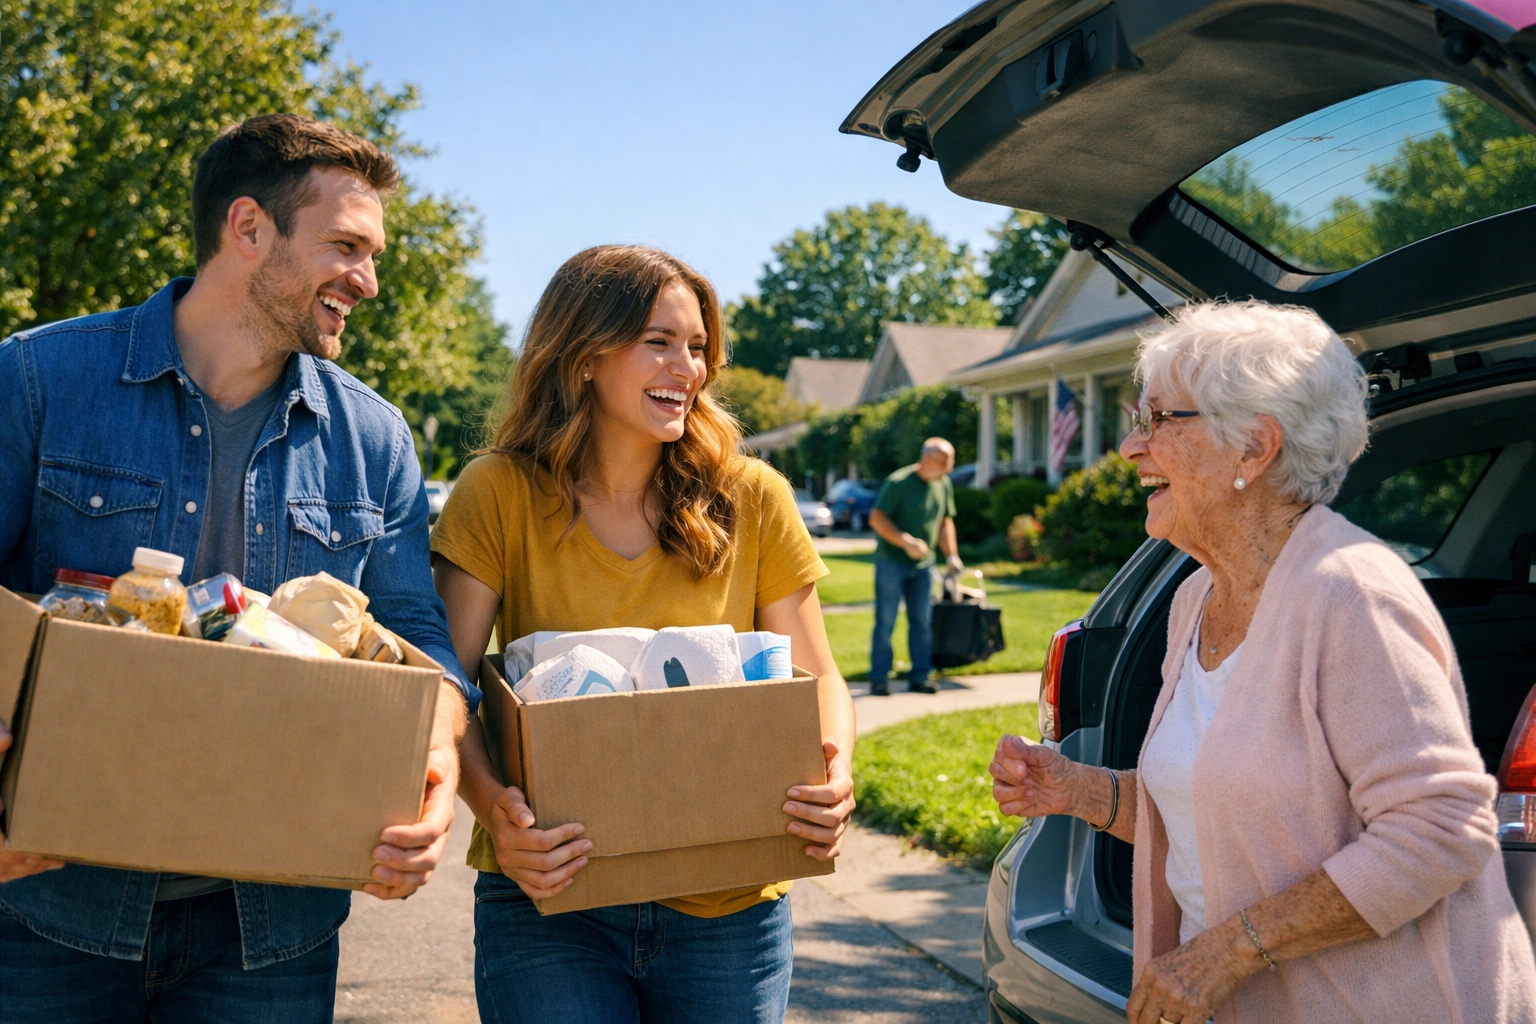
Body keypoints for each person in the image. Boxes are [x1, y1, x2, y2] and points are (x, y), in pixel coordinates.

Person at [0, 114, 474, 1022]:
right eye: (346, 246)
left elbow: (418, 635)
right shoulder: (38, 380)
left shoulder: (372, 438)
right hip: (49, 904)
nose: (368, 282)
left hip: (270, 933)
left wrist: (434, 753)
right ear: (248, 228)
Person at [989, 301, 1536, 1023]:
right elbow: (1216, 811)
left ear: (1254, 448)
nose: (1130, 446)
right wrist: (1077, 791)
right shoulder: (1194, 600)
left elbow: (1441, 829)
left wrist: (1226, 952)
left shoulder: (1351, 595)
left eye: (1158, 420)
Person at [430, 244, 856, 1024]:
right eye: (659, 341)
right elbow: (445, 686)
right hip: (554, 897)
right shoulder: (498, 493)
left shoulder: (752, 497)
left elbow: (818, 672)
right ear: (584, 353)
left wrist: (835, 773)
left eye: (698, 348)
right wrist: (495, 813)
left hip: (728, 908)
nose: (688, 368)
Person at [867, 437, 963, 696]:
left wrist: (951, 555)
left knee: (922, 621)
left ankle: (920, 677)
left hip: (924, 565)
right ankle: (879, 679)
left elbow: (945, 522)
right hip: (891, 562)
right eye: (945, 463)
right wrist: (905, 541)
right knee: (886, 621)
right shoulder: (898, 482)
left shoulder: (943, 484)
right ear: (928, 460)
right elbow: (877, 518)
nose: (949, 470)